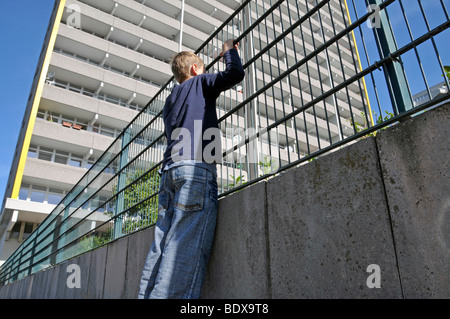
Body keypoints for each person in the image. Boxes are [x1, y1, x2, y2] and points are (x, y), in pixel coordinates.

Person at [138, 39, 245, 299]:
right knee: (182, 253)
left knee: (161, 247)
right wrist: (230, 50)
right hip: (195, 170)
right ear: (196, 70)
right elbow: (235, 74)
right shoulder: (200, 82)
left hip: (169, 173)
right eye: (204, 68)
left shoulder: (170, 101)